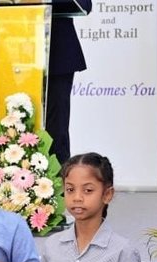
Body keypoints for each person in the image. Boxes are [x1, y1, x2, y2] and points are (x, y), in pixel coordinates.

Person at [45, 0, 92, 163]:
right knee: (17, 119)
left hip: (58, 54)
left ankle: (58, 181)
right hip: (15, 50)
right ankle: (15, 179)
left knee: (56, 126)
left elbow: (84, 4)